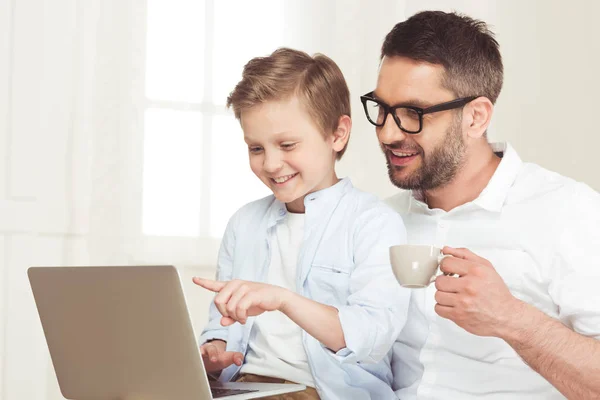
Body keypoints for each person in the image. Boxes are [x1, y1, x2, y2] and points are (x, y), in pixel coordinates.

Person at [360, 10, 600, 400]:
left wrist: (512, 319)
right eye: (382, 109)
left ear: (475, 117)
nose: (388, 133)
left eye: (412, 114)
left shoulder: (568, 212)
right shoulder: (379, 220)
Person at [194, 47, 410, 400]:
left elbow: (373, 335)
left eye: (287, 144)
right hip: (239, 387)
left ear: (337, 134)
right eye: (256, 148)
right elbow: (222, 324)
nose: (272, 164)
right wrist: (214, 350)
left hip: (321, 392)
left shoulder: (372, 223)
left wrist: (283, 300)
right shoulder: (243, 224)